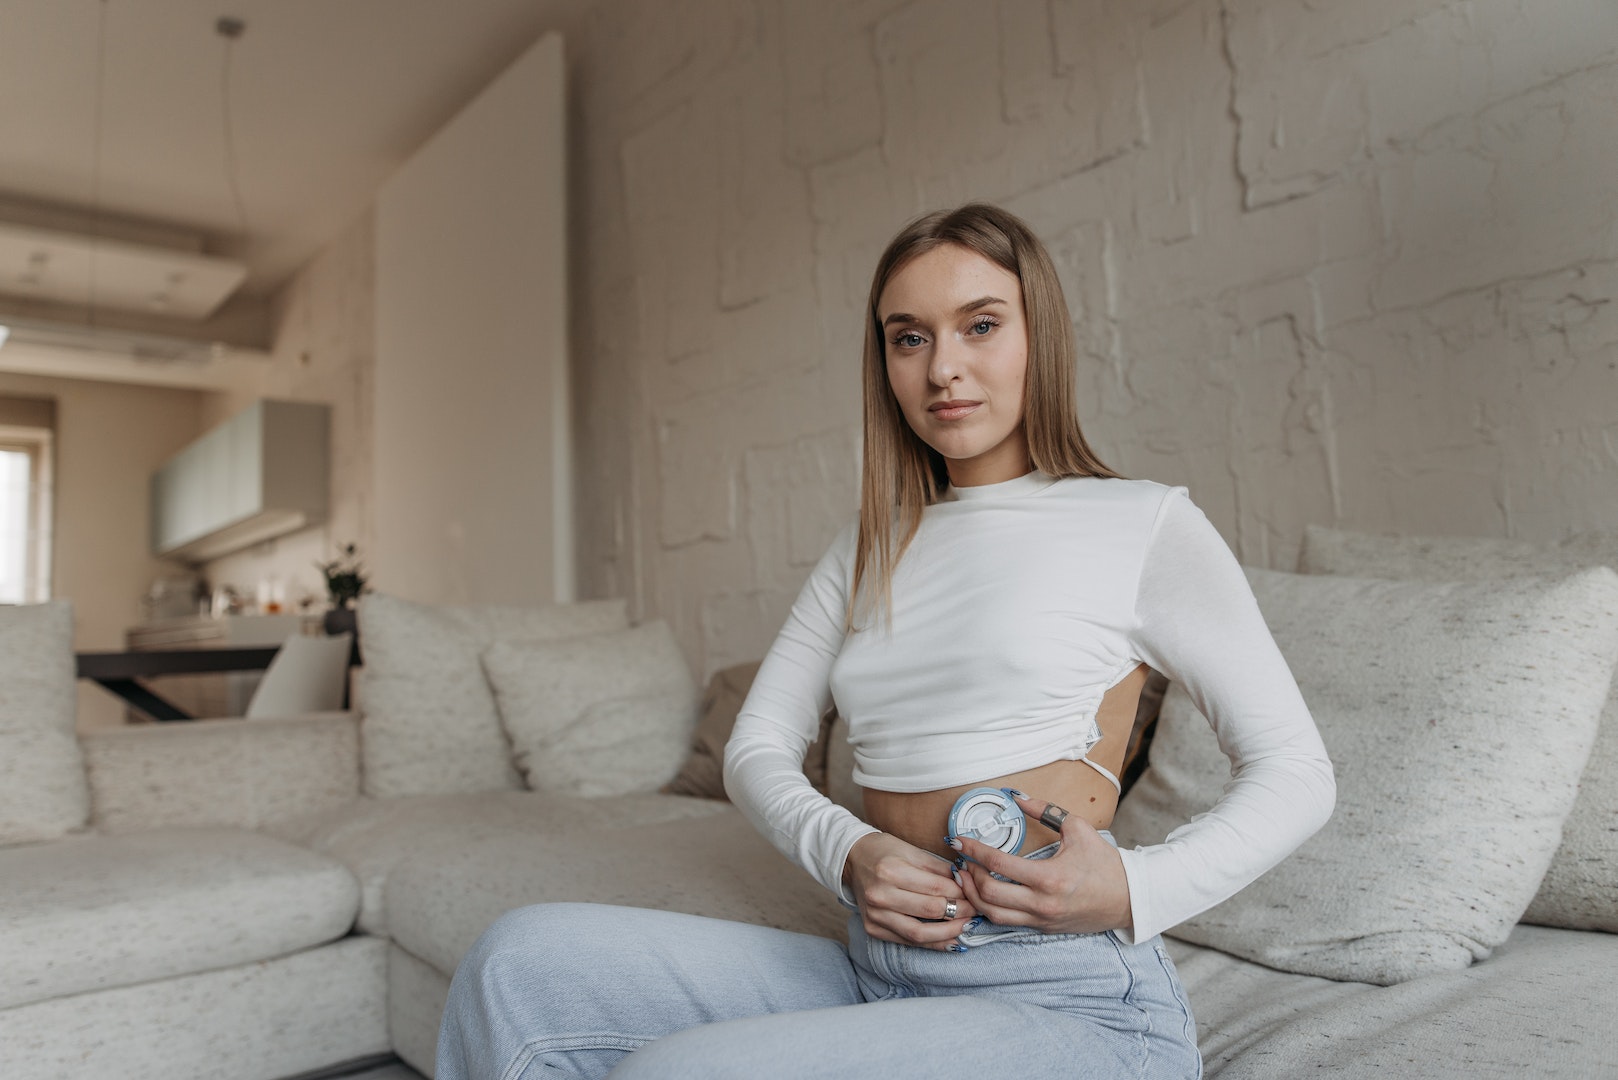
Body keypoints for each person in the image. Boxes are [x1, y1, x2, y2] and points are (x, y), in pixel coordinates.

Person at [435, 203, 1336, 1079]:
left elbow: (1297, 769)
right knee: (517, 963)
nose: (943, 367)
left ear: (1040, 338)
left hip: (1068, 1003)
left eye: (980, 325)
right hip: (880, 968)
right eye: (909, 338)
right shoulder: (868, 544)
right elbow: (758, 745)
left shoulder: (1141, 523)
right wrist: (846, 849)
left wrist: (1136, 889)